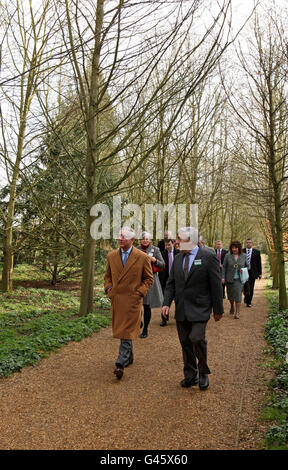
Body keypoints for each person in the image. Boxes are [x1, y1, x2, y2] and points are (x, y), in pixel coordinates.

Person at [162, 227, 223, 391]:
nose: (176, 242)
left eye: (180, 240)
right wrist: (166, 303)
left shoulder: (208, 256)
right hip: (182, 308)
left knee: (197, 338)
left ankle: (203, 371)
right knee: (185, 343)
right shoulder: (177, 258)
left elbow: (216, 285)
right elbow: (171, 284)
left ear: (191, 241)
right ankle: (190, 375)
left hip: (200, 308)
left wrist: (218, 309)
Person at [104, 227, 154, 380]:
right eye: (119, 236)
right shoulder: (111, 256)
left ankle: (120, 363)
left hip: (133, 300)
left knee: (126, 329)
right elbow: (107, 277)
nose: (120, 238)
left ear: (132, 240)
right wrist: (109, 289)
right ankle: (129, 356)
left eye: (124, 237)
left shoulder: (142, 257)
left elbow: (148, 279)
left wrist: (139, 292)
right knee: (124, 329)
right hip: (118, 299)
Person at [137, 232, 165, 338]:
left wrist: (155, 260)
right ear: (140, 240)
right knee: (136, 303)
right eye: (143, 238)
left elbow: (163, 264)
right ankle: (139, 322)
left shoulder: (155, 250)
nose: (145, 240)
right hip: (138, 280)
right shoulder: (136, 249)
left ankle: (145, 330)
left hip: (150, 280)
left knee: (146, 305)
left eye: (147, 239)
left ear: (150, 240)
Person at [221, 240, 248, 319]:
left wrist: (243, 269)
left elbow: (248, 266)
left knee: (238, 295)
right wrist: (223, 277)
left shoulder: (243, 256)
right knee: (230, 295)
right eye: (233, 248)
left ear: (239, 248)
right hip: (229, 279)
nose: (234, 249)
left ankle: (237, 312)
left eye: (236, 248)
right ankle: (232, 305)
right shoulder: (227, 256)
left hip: (239, 279)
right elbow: (224, 267)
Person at [158, 238, 180, 326]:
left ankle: (179, 317)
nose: (167, 246)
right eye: (165, 245)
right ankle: (164, 318)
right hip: (165, 280)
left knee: (179, 300)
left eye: (169, 244)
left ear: (173, 244)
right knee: (165, 300)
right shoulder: (162, 254)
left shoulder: (179, 253)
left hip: (177, 280)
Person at [243, 238, 262, 307]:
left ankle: (249, 302)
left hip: (253, 272)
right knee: (245, 287)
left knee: (251, 287)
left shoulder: (257, 252)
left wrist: (260, 273)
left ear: (252, 243)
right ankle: (246, 296)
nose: (249, 244)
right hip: (244, 271)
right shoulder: (242, 251)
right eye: (247, 242)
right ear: (246, 243)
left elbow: (259, 263)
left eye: (250, 242)